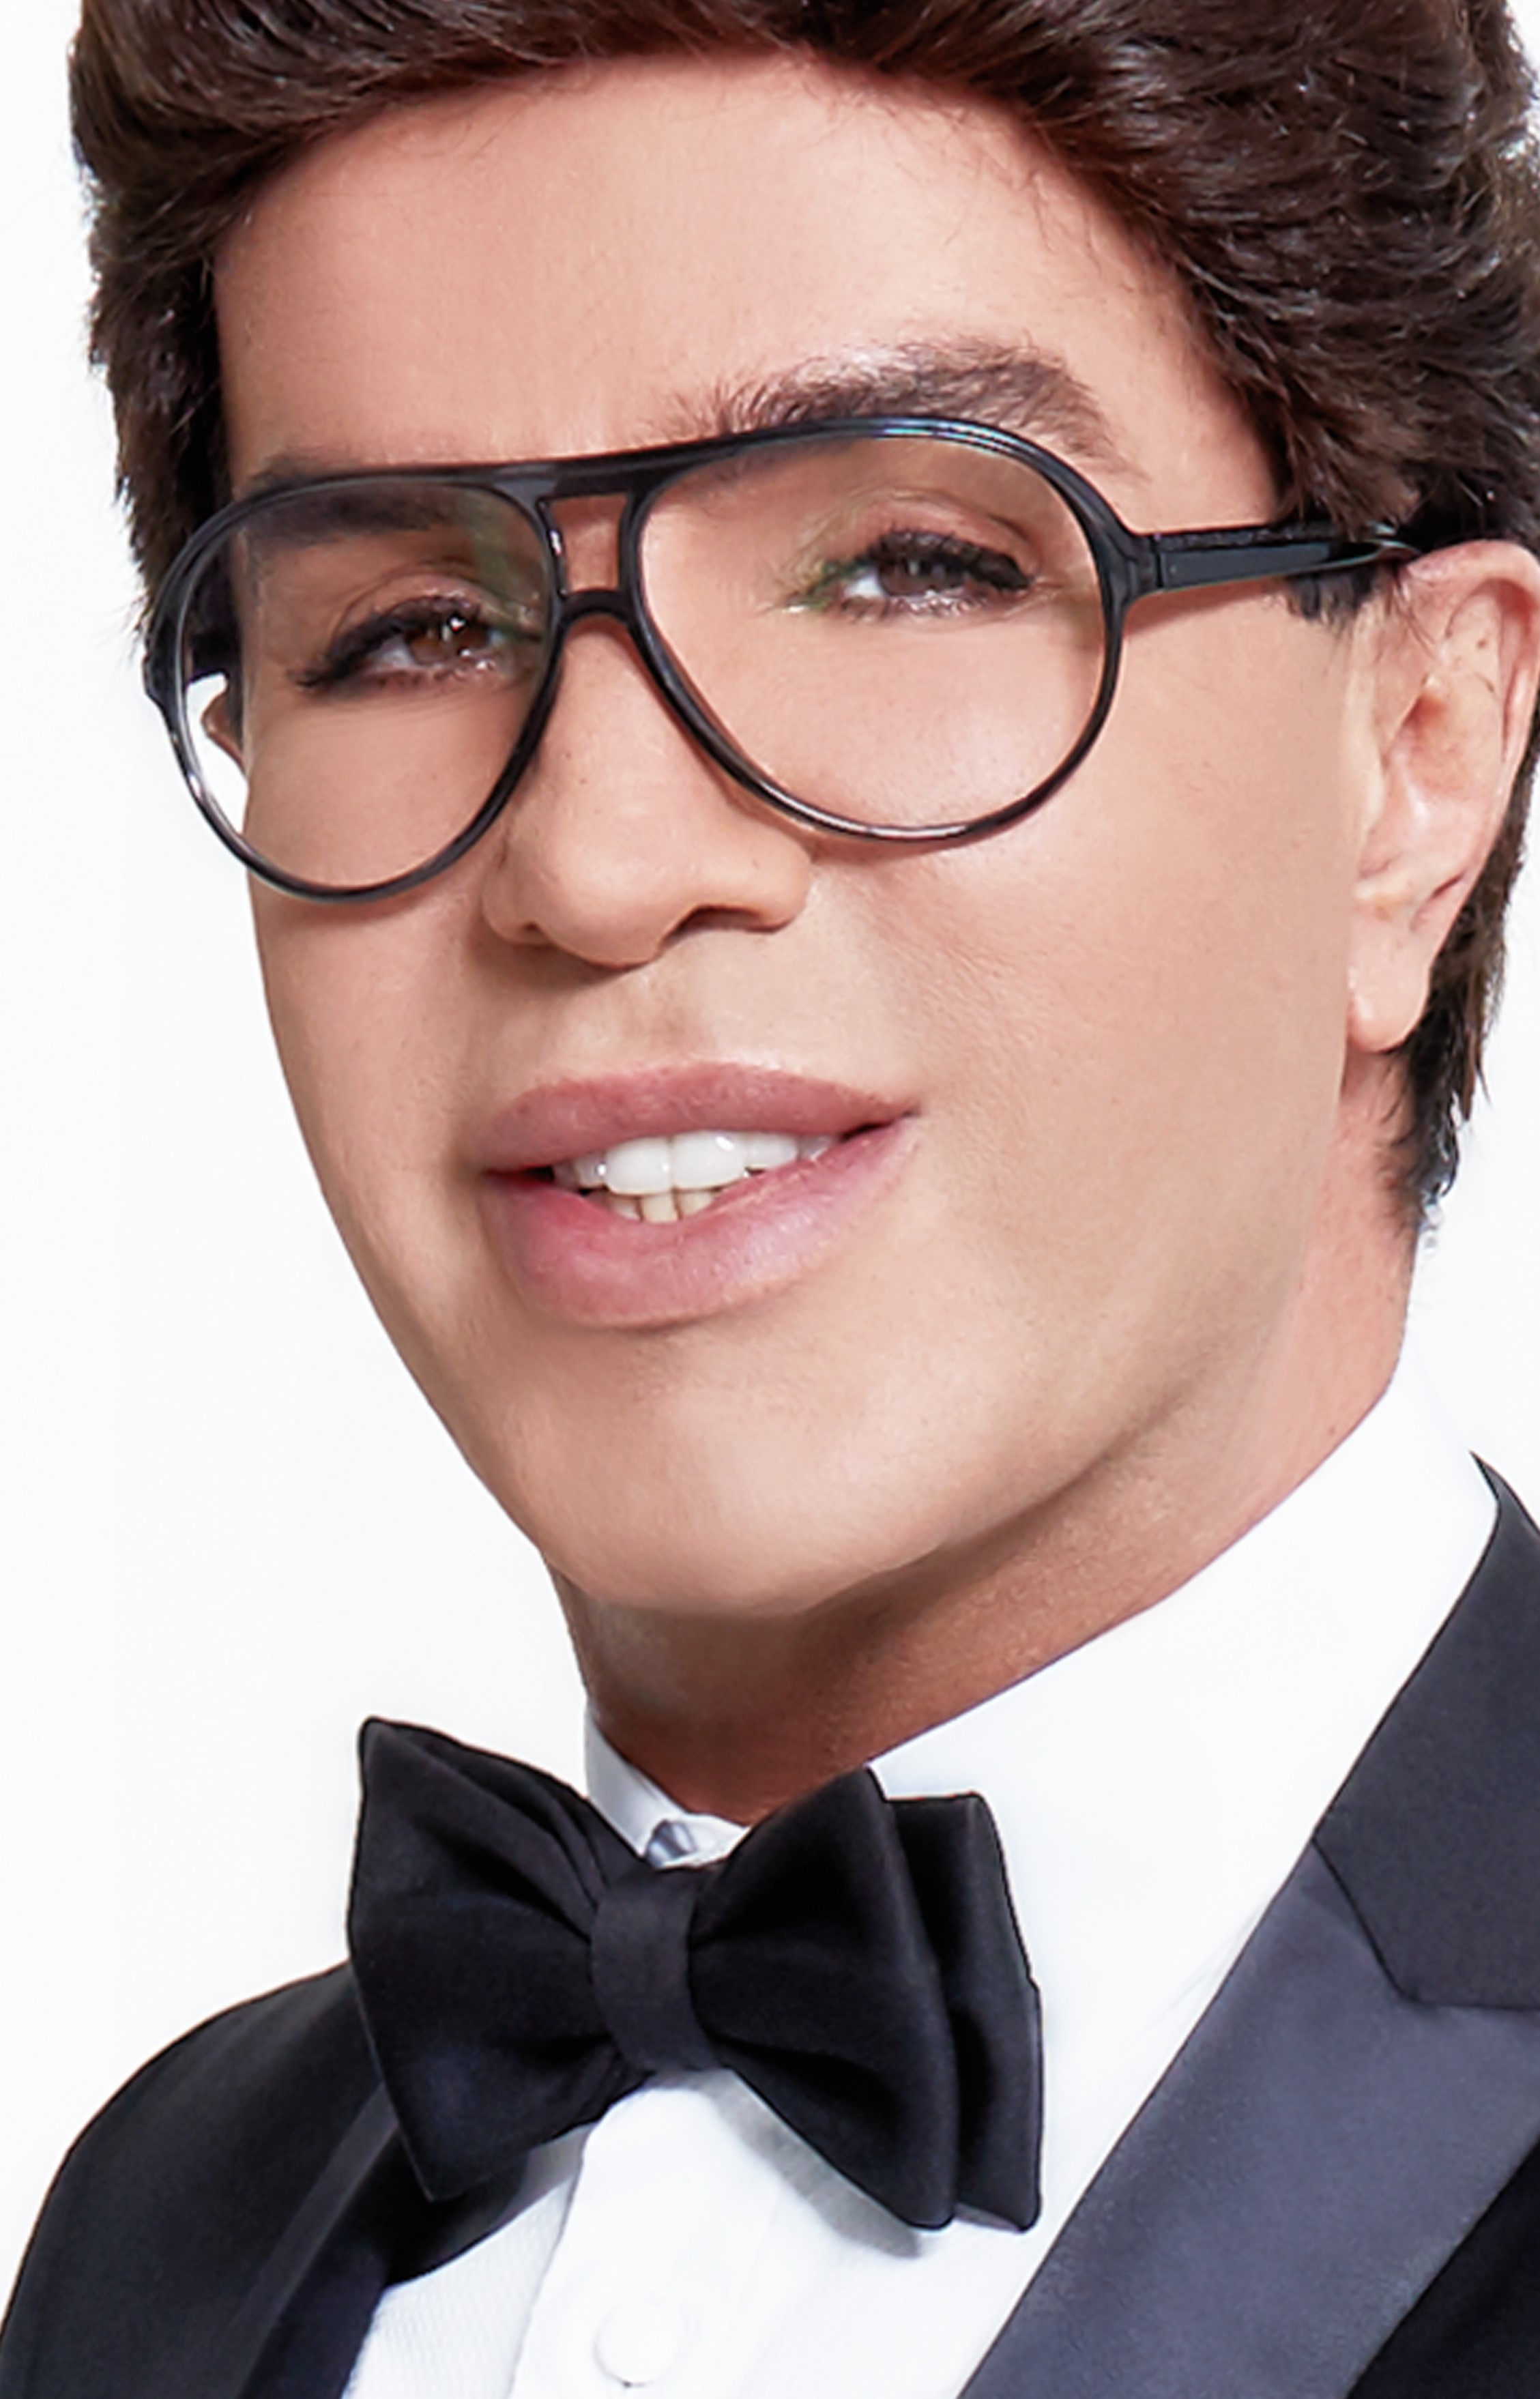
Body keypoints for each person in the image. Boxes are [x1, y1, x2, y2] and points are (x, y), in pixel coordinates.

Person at [5, 0, 1540, 2391]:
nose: (598, 859)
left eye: (909, 565)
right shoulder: (154, 2235)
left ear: (1416, 754)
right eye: (408, 628)